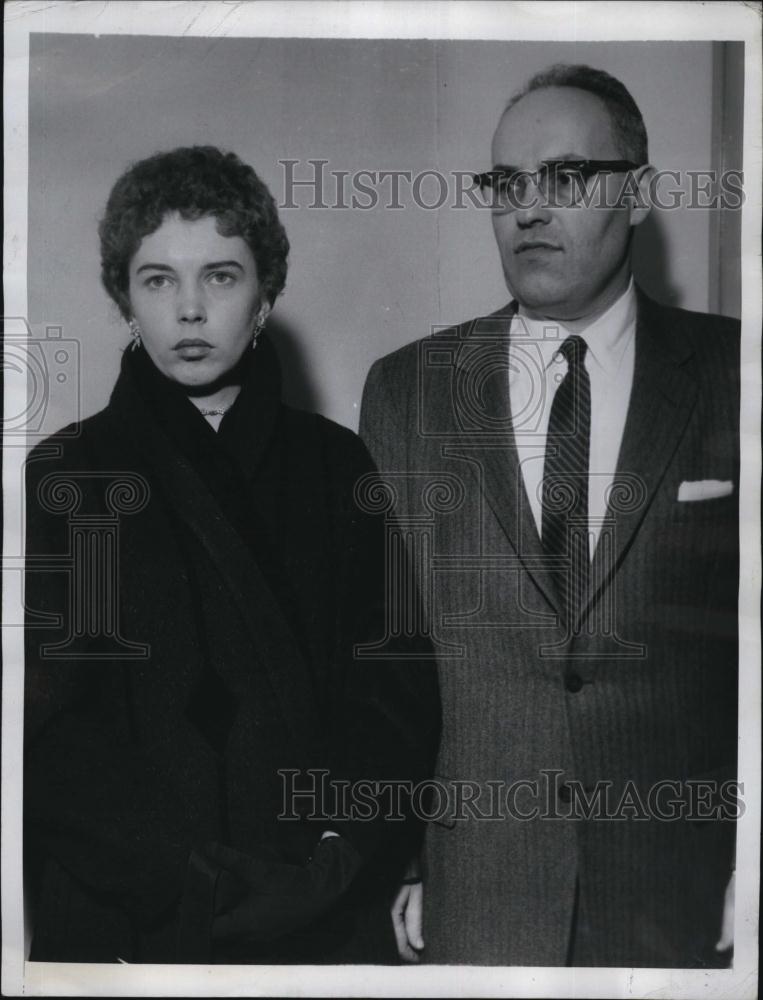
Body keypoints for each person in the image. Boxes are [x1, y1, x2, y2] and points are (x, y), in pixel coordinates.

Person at [24, 145, 440, 964]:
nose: (188, 310)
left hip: (319, 891)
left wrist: (334, 851)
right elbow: (48, 729)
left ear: (265, 293)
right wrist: (186, 877)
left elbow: (391, 684)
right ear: (123, 299)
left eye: (219, 276)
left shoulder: (335, 464)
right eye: (157, 279)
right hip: (136, 911)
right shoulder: (71, 474)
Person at [361, 65, 739, 967]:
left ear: (638, 194)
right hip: (477, 886)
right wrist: (398, 857)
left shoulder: (735, 376)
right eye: (505, 185)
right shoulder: (408, 389)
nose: (529, 209)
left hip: (678, 890)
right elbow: (383, 660)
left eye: (565, 178)